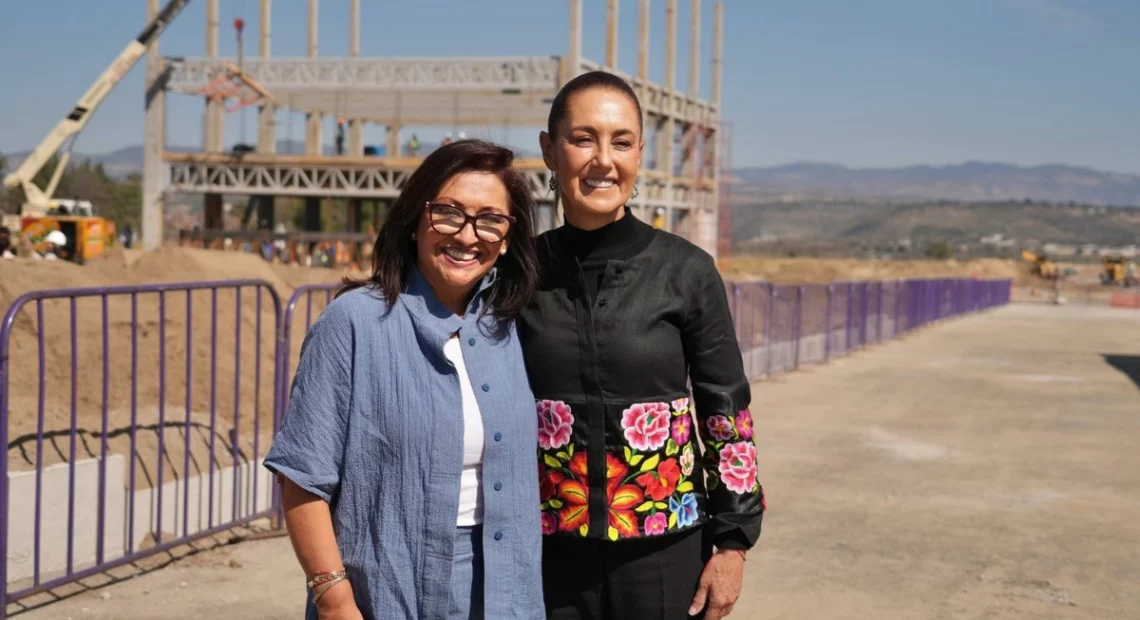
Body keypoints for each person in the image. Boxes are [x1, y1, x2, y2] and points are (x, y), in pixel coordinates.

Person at [520, 70, 766, 620]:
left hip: (665, 554)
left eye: (622, 142)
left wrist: (733, 544)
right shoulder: (519, 274)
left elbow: (725, 410)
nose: (603, 160)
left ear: (639, 155)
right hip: (547, 555)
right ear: (549, 150)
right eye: (583, 139)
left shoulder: (686, 271)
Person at [264, 139, 545, 620]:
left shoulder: (511, 327)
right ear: (416, 219)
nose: (467, 235)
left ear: (507, 237)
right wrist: (333, 599)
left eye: (490, 220)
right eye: (449, 213)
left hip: (506, 588)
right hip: (390, 589)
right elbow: (302, 477)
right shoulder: (353, 324)